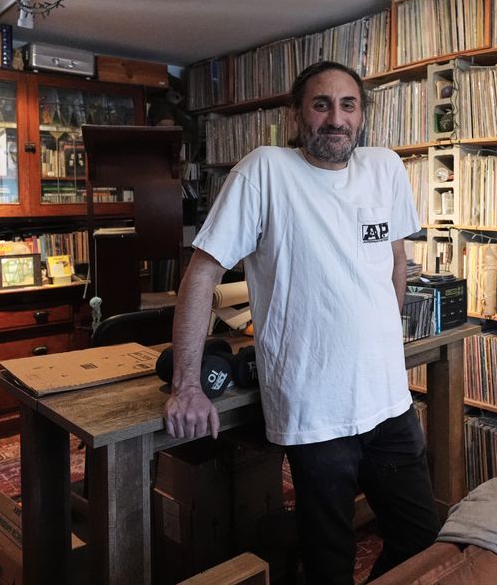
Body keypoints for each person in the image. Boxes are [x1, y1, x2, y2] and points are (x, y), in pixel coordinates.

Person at [163, 60, 440, 583]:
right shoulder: (265, 170)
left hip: (388, 400)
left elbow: (396, 261)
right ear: (296, 115)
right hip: (315, 410)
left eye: (348, 105)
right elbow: (202, 273)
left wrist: (384, 340)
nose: (336, 118)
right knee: (329, 560)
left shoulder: (385, 168)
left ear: (362, 115)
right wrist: (187, 385)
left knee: (421, 538)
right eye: (321, 104)